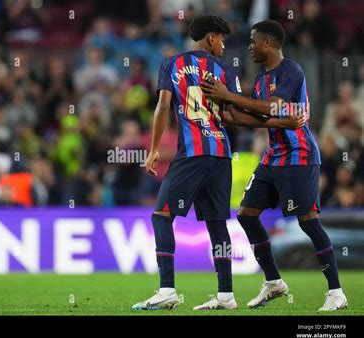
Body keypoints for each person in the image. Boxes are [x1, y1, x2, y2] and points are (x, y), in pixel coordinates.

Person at [132, 14, 305, 311]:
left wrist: (154, 149)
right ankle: (226, 294)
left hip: (192, 153)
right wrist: (279, 121)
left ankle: (167, 289)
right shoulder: (225, 70)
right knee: (216, 224)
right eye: (222, 38)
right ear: (211, 38)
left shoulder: (170, 64)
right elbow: (234, 114)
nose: (224, 44)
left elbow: (162, 106)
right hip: (222, 154)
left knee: (161, 215)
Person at [203, 20, 347, 311]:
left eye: (253, 41)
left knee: (308, 221)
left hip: (299, 155)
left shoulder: (291, 70)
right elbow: (260, 119)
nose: (249, 47)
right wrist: (227, 114)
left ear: (267, 43)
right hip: (273, 156)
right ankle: (273, 282)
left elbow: (274, 108)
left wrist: (229, 97)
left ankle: (336, 292)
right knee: (246, 215)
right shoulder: (259, 81)